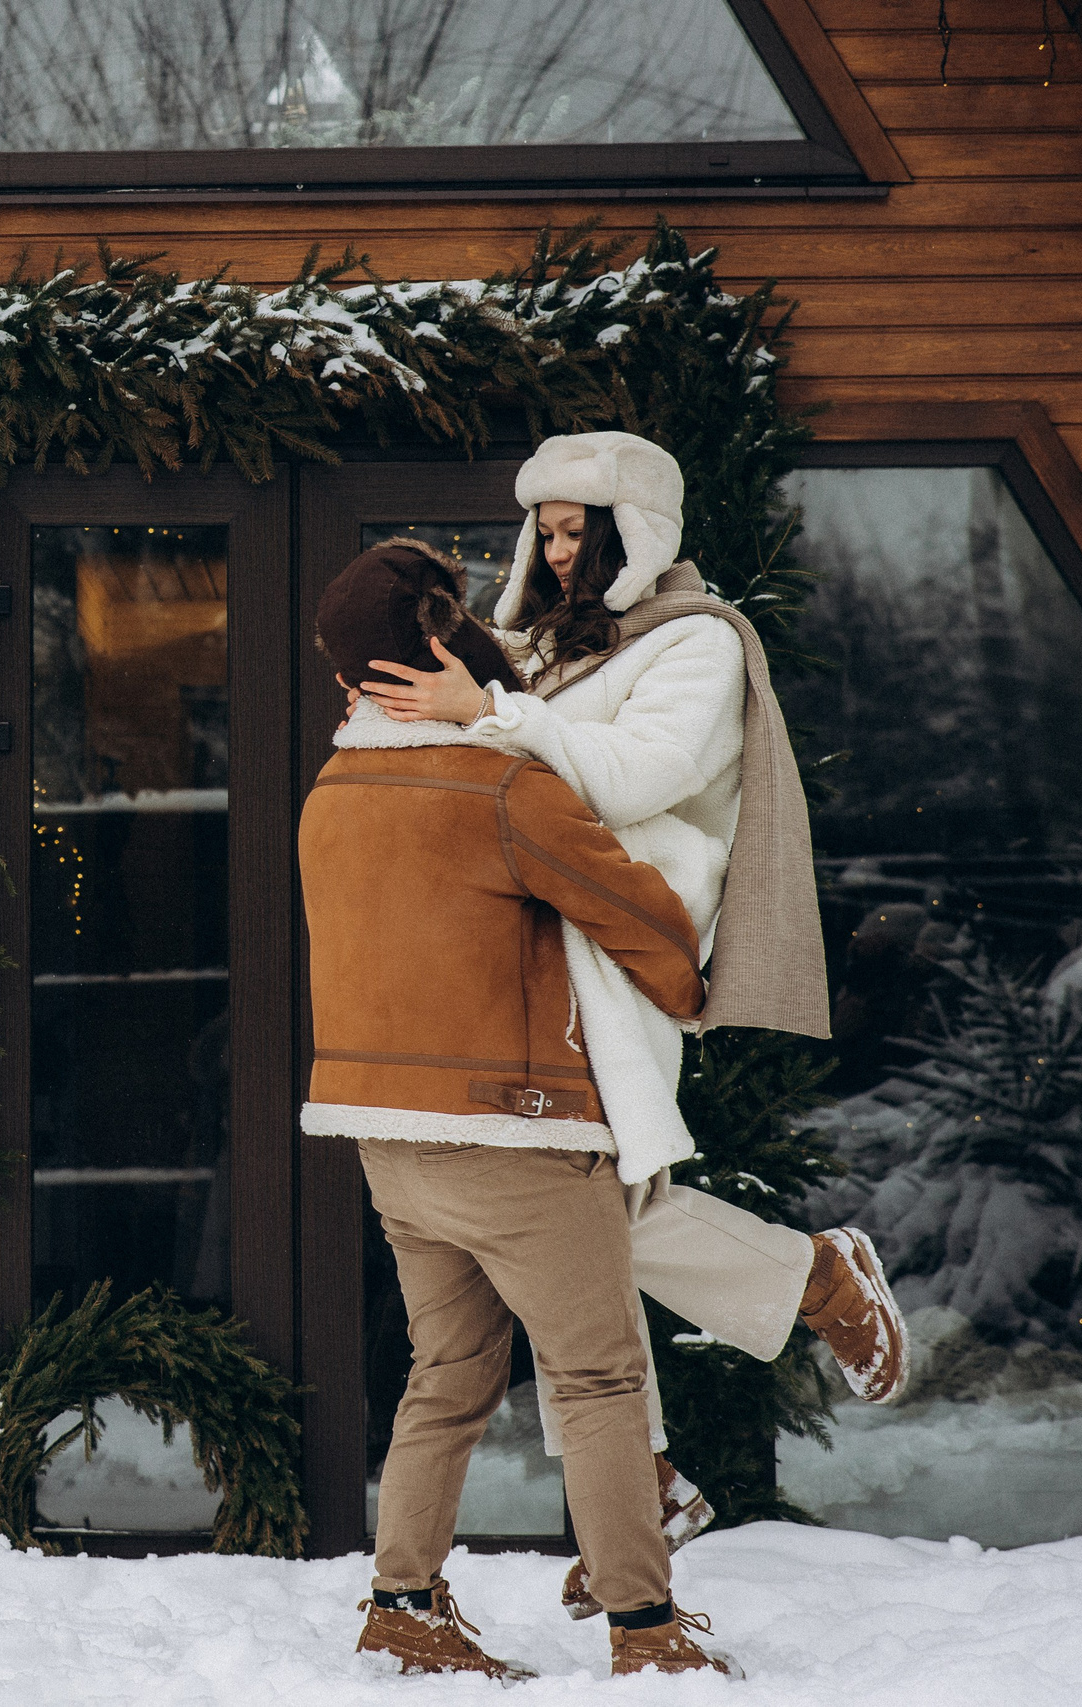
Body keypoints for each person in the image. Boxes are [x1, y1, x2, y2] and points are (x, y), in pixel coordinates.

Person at [354, 431, 907, 1617]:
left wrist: (491, 716)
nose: (558, 552)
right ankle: (664, 1454)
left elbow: (638, 778)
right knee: (577, 1215)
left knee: (583, 1207)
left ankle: (809, 1284)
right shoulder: (537, 651)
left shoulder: (697, 642)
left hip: (623, 939)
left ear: (634, 530)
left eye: (578, 531)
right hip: (529, 938)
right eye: (545, 531)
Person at [303, 542, 731, 1678]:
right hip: (521, 1131)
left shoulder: (330, 794)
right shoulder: (503, 789)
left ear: (353, 678)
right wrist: (697, 990)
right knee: (597, 1379)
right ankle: (646, 1630)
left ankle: (403, 1604)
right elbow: (647, 923)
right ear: (448, 649)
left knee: (445, 1374)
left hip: (387, 1139)